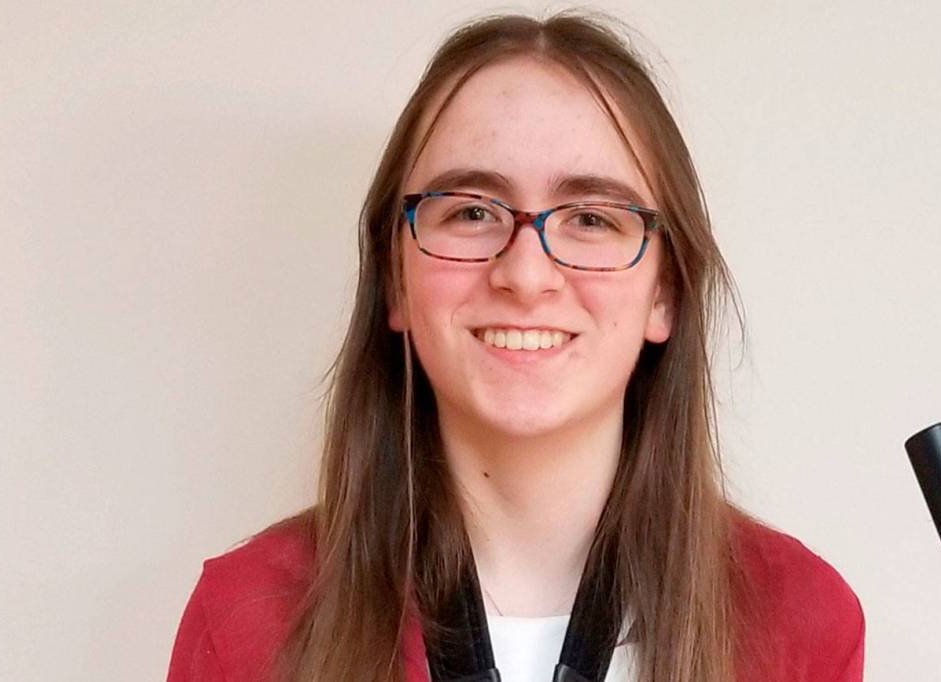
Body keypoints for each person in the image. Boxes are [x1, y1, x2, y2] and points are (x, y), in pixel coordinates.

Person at [167, 11, 865, 682]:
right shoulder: (246, 617)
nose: (526, 276)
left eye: (592, 218)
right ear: (396, 279)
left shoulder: (799, 619)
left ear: (666, 292)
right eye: (471, 211)